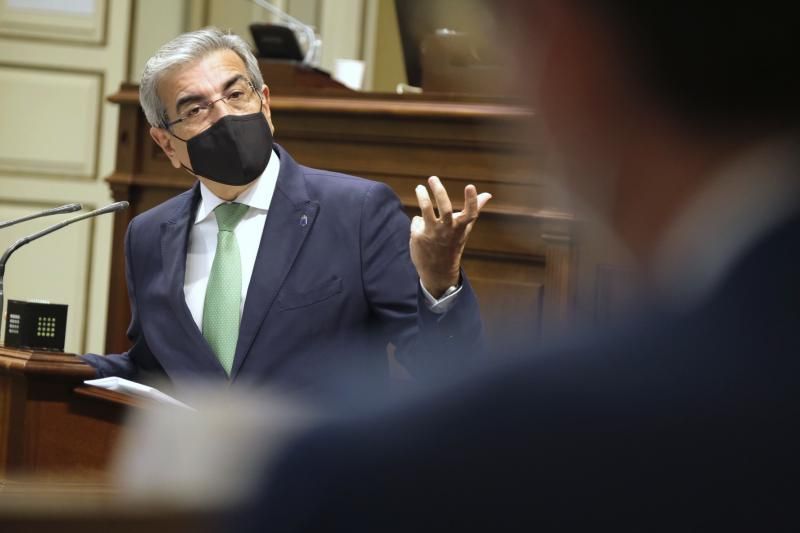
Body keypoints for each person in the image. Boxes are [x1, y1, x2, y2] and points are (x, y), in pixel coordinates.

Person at [239, 1, 800, 530]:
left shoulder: (387, 467)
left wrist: (439, 282)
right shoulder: (150, 236)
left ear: (568, 49)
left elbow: (444, 362)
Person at [81, 28, 490, 392]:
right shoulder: (149, 234)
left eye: (236, 94)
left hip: (322, 471)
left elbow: (444, 371)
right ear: (166, 144)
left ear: (266, 104)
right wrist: (47, 365)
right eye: (195, 109)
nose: (224, 115)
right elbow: (153, 367)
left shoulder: (357, 212)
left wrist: (441, 283)